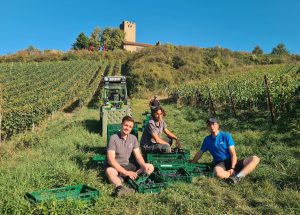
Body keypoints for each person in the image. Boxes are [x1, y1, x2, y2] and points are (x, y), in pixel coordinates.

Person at [191, 118, 260, 184]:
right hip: (220, 163)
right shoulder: (207, 140)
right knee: (217, 172)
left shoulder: (226, 136)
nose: (212, 126)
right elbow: (200, 153)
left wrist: (232, 167)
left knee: (255, 158)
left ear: (218, 125)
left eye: (214, 124)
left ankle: (238, 176)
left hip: (231, 160)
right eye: (209, 125)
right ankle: (237, 175)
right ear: (207, 128)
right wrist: (193, 162)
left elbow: (233, 154)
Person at [105, 116, 154, 197]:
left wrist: (144, 166)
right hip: (116, 167)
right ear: (121, 125)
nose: (127, 128)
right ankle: (120, 187)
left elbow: (138, 156)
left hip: (128, 165)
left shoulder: (133, 138)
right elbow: (111, 160)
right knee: (109, 171)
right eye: (125, 125)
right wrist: (125, 172)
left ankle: (134, 178)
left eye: (130, 126)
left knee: (150, 166)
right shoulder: (113, 138)